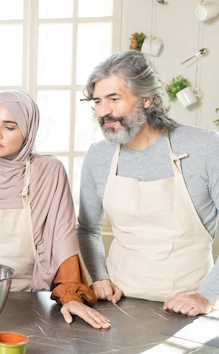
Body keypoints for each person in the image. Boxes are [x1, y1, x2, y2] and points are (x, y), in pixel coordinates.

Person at [0, 90, 111, 329]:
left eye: (9, 127)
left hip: (30, 301)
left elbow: (62, 241)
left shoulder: (47, 171)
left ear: (28, 131)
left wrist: (71, 296)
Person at [77, 50, 219, 316]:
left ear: (147, 99)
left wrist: (205, 297)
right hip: (118, 304)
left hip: (189, 306)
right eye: (97, 101)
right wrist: (99, 277)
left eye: (114, 99)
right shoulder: (98, 156)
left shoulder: (207, 146)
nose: (103, 111)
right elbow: (87, 229)